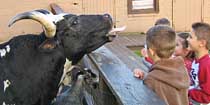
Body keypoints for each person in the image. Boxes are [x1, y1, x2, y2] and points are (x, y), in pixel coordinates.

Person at [134, 25, 190, 105]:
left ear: (152, 51)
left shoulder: (152, 79)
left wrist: (146, 78)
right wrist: (145, 76)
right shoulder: (181, 69)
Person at [187, 22, 210, 105]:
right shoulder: (196, 60)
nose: (187, 39)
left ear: (202, 43)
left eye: (190, 37)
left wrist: (188, 92)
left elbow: (208, 96)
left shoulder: (206, 65)